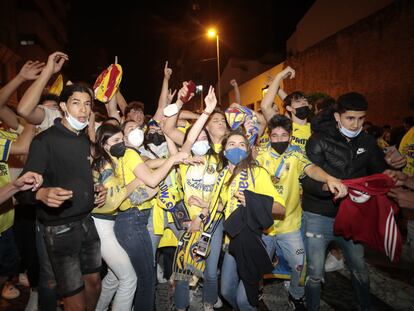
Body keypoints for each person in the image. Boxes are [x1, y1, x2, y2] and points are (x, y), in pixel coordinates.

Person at [18, 80, 107, 311]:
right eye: (76, 103)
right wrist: (40, 193)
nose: (83, 109)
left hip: (87, 222)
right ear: (63, 107)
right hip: (59, 229)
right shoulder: (44, 140)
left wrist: (95, 188)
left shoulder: (83, 138)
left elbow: (77, 175)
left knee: (95, 284)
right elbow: (23, 192)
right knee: (73, 299)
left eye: (87, 104)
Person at [302, 92, 390, 311]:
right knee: (314, 273)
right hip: (318, 215)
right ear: (337, 116)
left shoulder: (368, 141)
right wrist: (326, 186)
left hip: (352, 215)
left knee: (359, 267)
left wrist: (393, 169)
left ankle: (365, 306)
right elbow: (306, 179)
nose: (356, 124)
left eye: (361, 119)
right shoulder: (319, 139)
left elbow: (378, 172)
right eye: (350, 118)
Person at [256, 114, 347, 310]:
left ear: (290, 136)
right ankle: (256, 291)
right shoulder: (260, 154)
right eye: (274, 135)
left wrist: (328, 178)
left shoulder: (296, 153)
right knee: (257, 264)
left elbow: (312, 169)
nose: (279, 139)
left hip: (290, 224)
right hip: (264, 226)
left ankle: (296, 295)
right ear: (269, 137)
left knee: (300, 263)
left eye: (283, 135)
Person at [212, 131, 285, 310]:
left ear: (248, 150)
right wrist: (209, 207)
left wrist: (253, 201)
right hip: (233, 240)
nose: (236, 148)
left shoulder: (257, 173)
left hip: (259, 240)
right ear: (223, 151)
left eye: (241, 144)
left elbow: (280, 208)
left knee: (245, 299)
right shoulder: (222, 177)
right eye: (231, 144)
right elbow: (227, 206)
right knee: (227, 291)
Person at [91, 123, 157, 311]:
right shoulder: (103, 164)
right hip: (102, 225)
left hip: (112, 223)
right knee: (129, 278)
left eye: (123, 139)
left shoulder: (114, 159)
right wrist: (139, 180)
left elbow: (145, 164)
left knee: (113, 276)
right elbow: (114, 200)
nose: (122, 143)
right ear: (104, 144)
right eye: (116, 140)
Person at [260, 66, 312, 152]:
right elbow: (265, 107)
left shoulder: (315, 127)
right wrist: (279, 77)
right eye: (298, 101)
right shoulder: (283, 125)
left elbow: (289, 101)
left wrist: (278, 88)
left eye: (305, 101)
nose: (303, 103)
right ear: (289, 108)